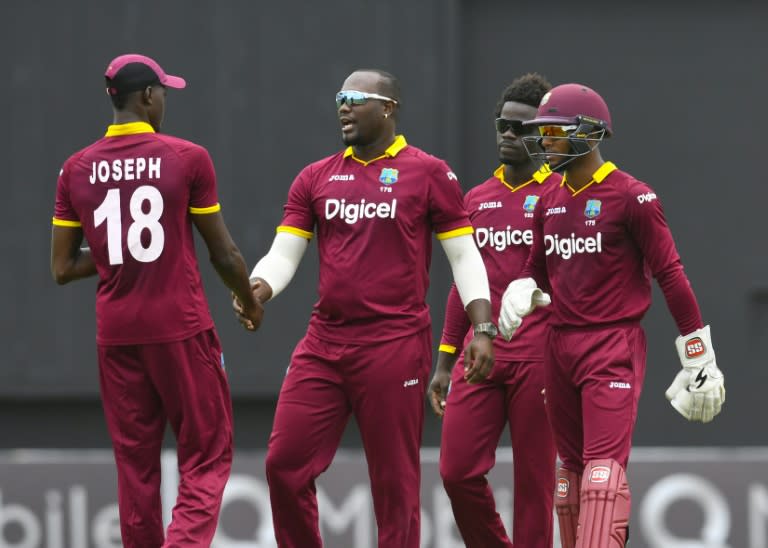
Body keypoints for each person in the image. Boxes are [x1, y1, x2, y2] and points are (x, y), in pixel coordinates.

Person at [235, 68, 495, 548]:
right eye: (339, 97)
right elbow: (284, 252)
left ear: (389, 108)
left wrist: (483, 327)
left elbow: (464, 256)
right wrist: (258, 289)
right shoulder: (316, 176)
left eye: (355, 97)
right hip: (325, 342)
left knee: (394, 485)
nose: (343, 106)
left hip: (394, 343)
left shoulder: (429, 172)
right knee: (284, 465)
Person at [497, 83, 726, 547]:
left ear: (590, 133)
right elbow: (536, 268)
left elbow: (671, 275)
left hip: (611, 345)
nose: (544, 143)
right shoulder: (549, 199)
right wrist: (522, 287)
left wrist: (698, 357)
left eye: (556, 133)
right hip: (557, 345)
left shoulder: (632, 197)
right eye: (542, 133)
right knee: (570, 479)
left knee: (602, 475)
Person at [50, 53, 263, 548]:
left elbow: (62, 268)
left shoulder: (74, 169)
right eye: (164, 91)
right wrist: (249, 302)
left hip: (117, 334)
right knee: (207, 455)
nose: (165, 100)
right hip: (179, 327)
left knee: (136, 467)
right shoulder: (186, 157)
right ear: (147, 96)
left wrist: (113, 254)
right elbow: (225, 254)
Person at [428, 73, 559, 548]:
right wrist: (444, 362)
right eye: (502, 125)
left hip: (541, 359)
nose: (508, 134)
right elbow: (462, 285)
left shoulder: (561, 196)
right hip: (479, 356)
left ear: (544, 135)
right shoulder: (476, 199)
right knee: (456, 472)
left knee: (534, 486)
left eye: (520, 128)